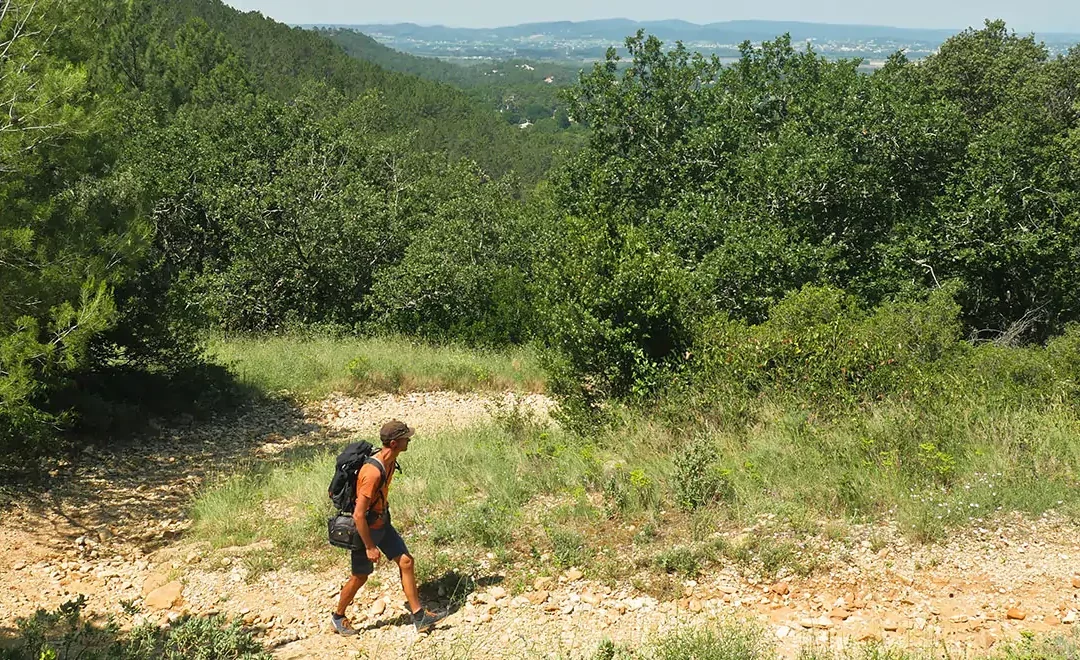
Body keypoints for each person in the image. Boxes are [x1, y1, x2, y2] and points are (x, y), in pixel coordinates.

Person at [331, 420, 445, 635]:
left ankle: (419, 616)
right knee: (360, 576)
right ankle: (338, 616)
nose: (408, 440)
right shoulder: (372, 473)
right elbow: (358, 515)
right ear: (394, 443)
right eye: (405, 438)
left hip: (382, 523)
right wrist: (369, 546)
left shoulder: (391, 461)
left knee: (406, 561)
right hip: (365, 530)